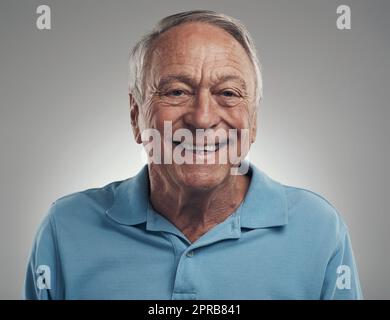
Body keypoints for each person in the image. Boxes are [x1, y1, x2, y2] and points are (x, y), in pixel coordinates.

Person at [24, 10, 362, 299]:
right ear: (135, 115)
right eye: (176, 91)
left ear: (253, 121)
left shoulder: (318, 229)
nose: (202, 118)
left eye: (228, 93)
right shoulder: (65, 228)